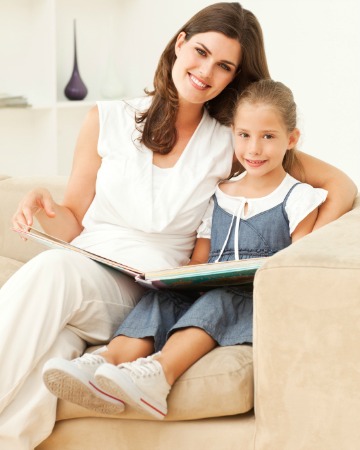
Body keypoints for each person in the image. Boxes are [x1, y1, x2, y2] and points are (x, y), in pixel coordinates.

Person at [0, 2, 356, 448]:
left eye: (224, 66)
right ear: (180, 43)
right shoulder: (105, 118)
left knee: (53, 273)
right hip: (85, 276)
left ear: (233, 77)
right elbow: (72, 220)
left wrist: (302, 247)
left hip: (146, 290)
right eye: (201, 52)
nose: (206, 71)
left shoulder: (231, 138)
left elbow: (339, 184)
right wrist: (43, 209)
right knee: (53, 355)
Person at [42, 79, 329, 420]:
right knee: (164, 298)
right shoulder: (220, 194)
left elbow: (297, 264)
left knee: (221, 299)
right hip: (211, 285)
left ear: (291, 140)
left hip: (252, 297)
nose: (254, 149)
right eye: (244, 135)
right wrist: (182, 279)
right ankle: (106, 362)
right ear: (232, 134)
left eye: (268, 136)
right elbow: (200, 258)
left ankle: (160, 374)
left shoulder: (298, 197)